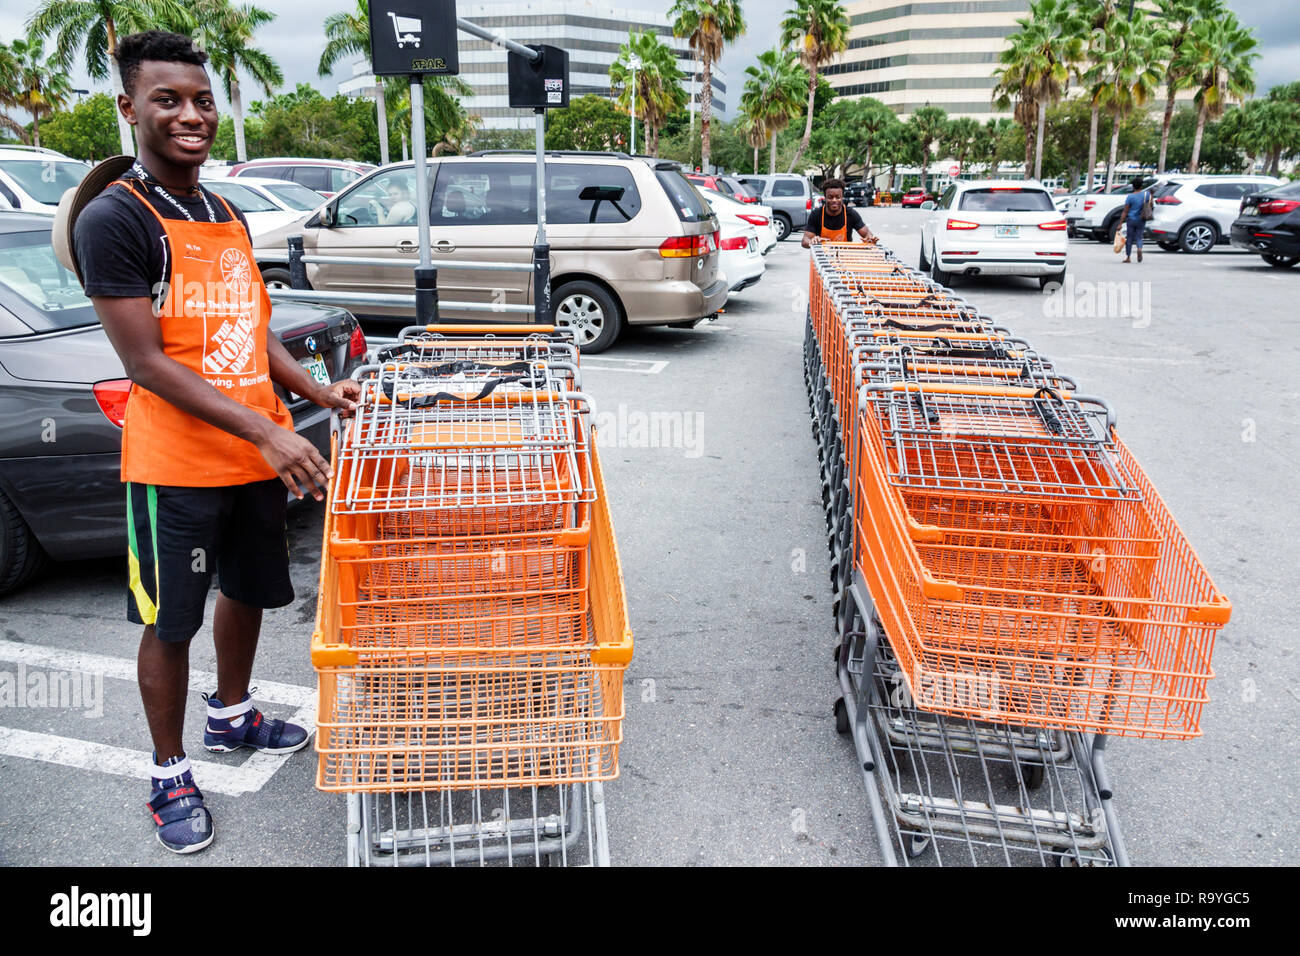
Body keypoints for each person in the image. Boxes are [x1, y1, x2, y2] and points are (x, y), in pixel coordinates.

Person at [67, 31, 360, 854]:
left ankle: (231, 717)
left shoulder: (224, 209)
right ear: (130, 109)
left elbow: (250, 328)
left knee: (246, 590)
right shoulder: (115, 219)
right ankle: (168, 772)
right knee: (170, 623)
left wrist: (309, 391)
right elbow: (147, 364)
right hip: (174, 468)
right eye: (168, 100)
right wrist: (271, 429)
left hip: (249, 458)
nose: (190, 114)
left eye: (200, 100)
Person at [802, 178, 878, 247]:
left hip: (844, 258)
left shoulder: (851, 214)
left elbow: (867, 234)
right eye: (830, 197)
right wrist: (812, 241)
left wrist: (870, 239)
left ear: (842, 197)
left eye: (838, 197)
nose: (834, 200)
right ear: (825, 198)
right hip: (821, 258)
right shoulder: (816, 214)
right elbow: (805, 240)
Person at [1121, 175, 1152, 263]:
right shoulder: (1147, 194)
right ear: (1141, 185)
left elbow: (1125, 211)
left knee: (1129, 238)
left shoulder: (1130, 197)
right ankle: (1139, 248)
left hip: (1131, 219)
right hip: (1142, 219)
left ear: (1133, 186)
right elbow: (1151, 205)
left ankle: (1128, 257)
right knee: (1139, 237)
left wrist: (1120, 223)